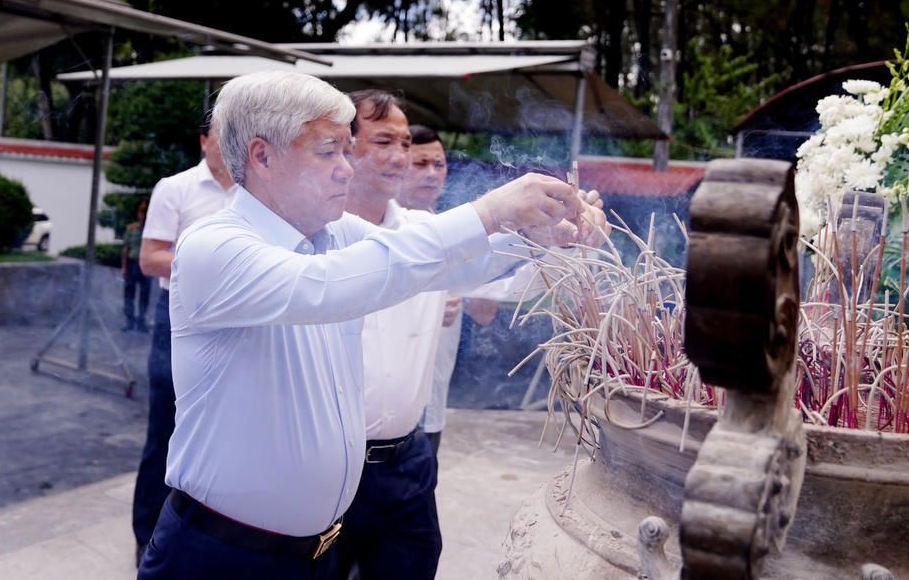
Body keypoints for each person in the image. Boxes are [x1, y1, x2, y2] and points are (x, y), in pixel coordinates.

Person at [137, 71, 605, 579]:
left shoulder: (330, 232)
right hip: (221, 557)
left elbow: (448, 265)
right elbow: (334, 284)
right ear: (262, 156)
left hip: (310, 554)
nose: (346, 169)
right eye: (329, 150)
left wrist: (546, 235)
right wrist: (489, 211)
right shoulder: (215, 245)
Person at [131, 114, 235, 565]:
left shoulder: (255, 190)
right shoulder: (175, 188)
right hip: (178, 319)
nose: (229, 144)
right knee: (167, 430)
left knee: (225, 431)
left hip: (234, 321)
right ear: (204, 141)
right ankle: (146, 532)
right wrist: (212, 263)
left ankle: (206, 532)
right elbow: (151, 258)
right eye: (222, 135)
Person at [399, 124, 499, 457]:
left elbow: (484, 315)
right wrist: (421, 308)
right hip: (383, 407)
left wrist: (491, 270)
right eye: (420, 163)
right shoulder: (378, 230)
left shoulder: (456, 233)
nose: (432, 173)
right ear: (399, 165)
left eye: (439, 164)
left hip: (433, 400)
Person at [120, 201, 152, 333]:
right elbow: (126, 249)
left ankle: (141, 321)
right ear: (138, 214)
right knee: (129, 295)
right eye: (141, 212)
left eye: (145, 212)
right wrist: (124, 266)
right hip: (133, 264)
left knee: (144, 295)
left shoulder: (152, 230)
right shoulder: (131, 229)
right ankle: (129, 321)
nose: (143, 215)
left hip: (146, 265)